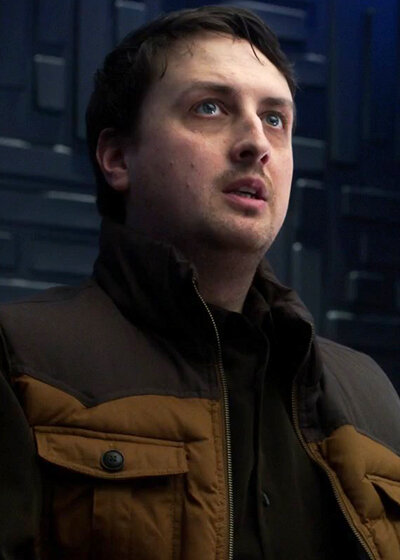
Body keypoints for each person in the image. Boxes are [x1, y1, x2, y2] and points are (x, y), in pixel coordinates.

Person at [0, 6, 399, 560]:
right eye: (210, 107)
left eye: (275, 119)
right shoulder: (19, 356)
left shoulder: (371, 392)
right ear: (118, 157)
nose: (256, 143)